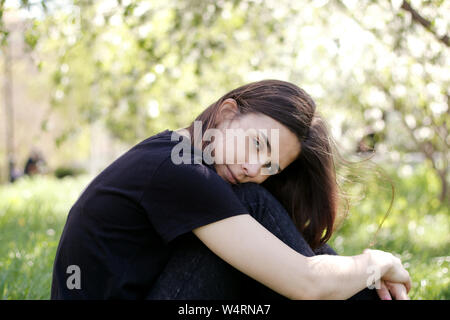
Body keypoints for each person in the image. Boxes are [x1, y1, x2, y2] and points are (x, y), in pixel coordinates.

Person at [51, 79, 411, 300]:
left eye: (271, 165)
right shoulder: (181, 170)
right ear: (225, 114)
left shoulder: (175, 156)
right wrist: (376, 263)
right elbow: (306, 284)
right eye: (257, 144)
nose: (254, 168)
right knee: (252, 209)